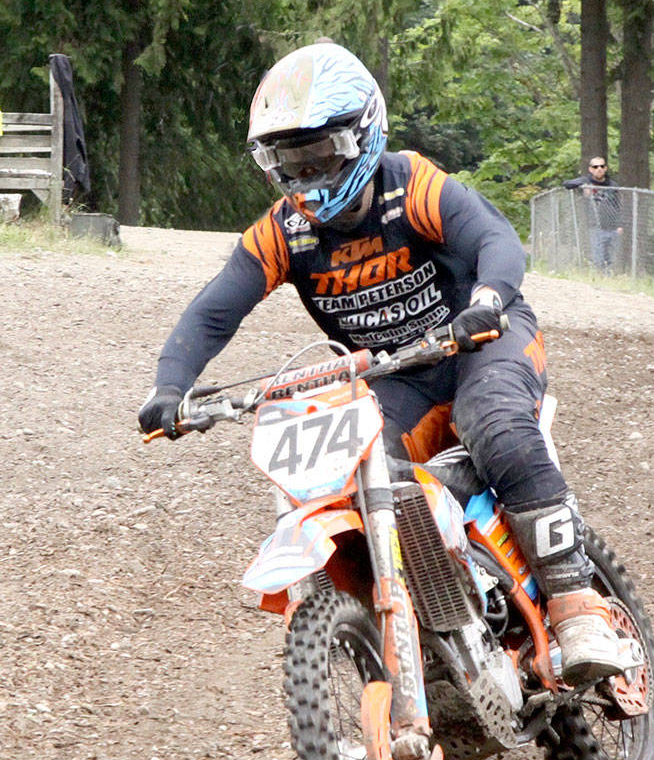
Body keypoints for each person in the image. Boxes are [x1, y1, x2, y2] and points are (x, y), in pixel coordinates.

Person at [137, 41, 628, 684]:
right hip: (397, 376)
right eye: (288, 161)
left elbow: (493, 239)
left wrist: (485, 300)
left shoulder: (410, 184)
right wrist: (171, 387)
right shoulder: (284, 232)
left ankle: (573, 601)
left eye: (318, 154)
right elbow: (213, 311)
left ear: (363, 133)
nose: (306, 175)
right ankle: (434, 635)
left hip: (482, 343)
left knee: (498, 423)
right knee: (360, 484)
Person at [563, 156, 623, 273]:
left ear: (605, 168)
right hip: (596, 227)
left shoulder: (612, 185)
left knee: (611, 258)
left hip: (613, 228)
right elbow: (566, 184)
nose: (599, 169)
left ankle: (609, 279)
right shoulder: (586, 182)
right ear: (590, 169)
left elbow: (618, 206)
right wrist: (583, 187)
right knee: (598, 257)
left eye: (602, 166)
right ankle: (599, 277)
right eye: (595, 167)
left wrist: (620, 225)